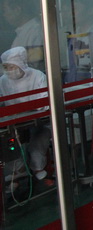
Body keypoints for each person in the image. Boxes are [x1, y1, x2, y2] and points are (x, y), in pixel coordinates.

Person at [0, 47, 51, 183]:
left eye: (11, 67)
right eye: (5, 67)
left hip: (39, 120)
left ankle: (38, 168)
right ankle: (19, 170)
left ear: (20, 64)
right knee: (8, 143)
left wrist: (28, 109)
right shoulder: (3, 80)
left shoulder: (37, 76)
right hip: (15, 122)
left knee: (38, 141)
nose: (9, 70)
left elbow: (45, 101)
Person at [2, 0, 44, 71]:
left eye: (5, 10)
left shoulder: (36, 30)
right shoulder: (22, 32)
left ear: (17, 10)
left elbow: (36, 62)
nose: (4, 15)